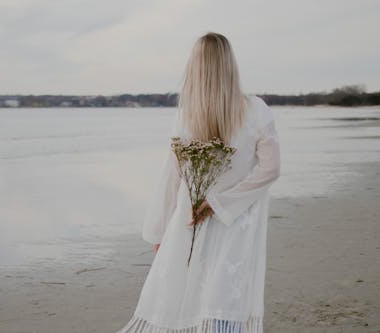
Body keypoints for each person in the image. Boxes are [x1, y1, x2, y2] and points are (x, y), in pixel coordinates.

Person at [115, 32, 280, 333]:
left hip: (191, 221)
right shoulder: (256, 109)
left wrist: (160, 231)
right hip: (235, 223)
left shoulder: (189, 116)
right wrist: (221, 204)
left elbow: (171, 178)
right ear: (231, 65)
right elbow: (270, 170)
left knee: (189, 303)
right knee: (225, 302)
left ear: (196, 69)